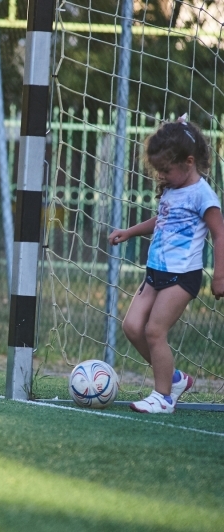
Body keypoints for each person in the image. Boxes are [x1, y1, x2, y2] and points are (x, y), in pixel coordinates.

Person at [108, 115, 224, 414]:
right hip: (155, 272)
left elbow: (219, 232)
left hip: (182, 276)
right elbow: (161, 220)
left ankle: (163, 397)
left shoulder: (202, 195)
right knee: (133, 327)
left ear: (189, 161)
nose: (161, 175)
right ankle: (173, 379)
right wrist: (129, 231)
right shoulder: (172, 189)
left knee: (154, 331)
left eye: (166, 170)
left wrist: (220, 275)